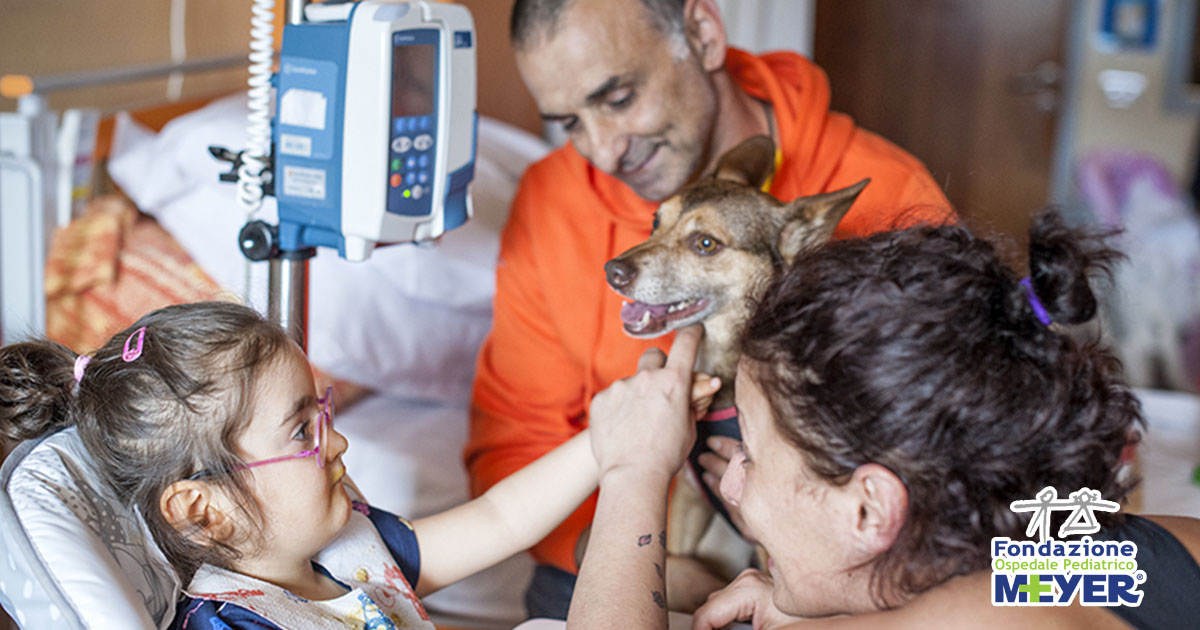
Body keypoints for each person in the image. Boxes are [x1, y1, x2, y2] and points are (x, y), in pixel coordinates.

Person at [467, 0, 955, 616]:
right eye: (570, 122)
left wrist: (795, 537)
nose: (604, 151)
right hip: (615, 553)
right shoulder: (551, 199)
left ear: (701, 33)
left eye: (619, 98)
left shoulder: (892, 196)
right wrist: (635, 550)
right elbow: (515, 440)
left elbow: (948, 469)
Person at [568, 209, 1200, 629]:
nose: (730, 483)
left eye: (750, 455)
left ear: (869, 510)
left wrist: (633, 471)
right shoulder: (1102, 556)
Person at [0, 301, 720, 630]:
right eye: (302, 430)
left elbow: (500, 518)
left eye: (324, 413)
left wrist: (608, 439)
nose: (338, 443)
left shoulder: (347, 552)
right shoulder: (235, 625)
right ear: (202, 510)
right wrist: (634, 463)